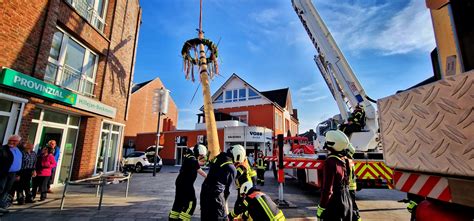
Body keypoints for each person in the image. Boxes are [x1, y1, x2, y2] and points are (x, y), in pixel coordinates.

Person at [316, 130, 353, 221]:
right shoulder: (345, 160)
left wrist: (321, 208)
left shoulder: (330, 162)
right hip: (348, 203)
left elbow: (328, 190)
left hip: (335, 205)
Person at [200, 145, 241, 220]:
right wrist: (224, 204)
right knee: (221, 218)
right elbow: (227, 190)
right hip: (216, 195)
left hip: (204, 191)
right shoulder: (231, 168)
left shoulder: (219, 157)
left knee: (205, 216)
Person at [169, 144, 208, 221]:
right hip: (186, 185)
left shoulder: (189, 158)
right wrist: (209, 177)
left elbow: (199, 164)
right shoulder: (192, 160)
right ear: (198, 153)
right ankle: (183, 219)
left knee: (178, 202)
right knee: (191, 203)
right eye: (201, 155)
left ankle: (173, 218)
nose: (201, 156)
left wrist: (204, 161)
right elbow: (200, 171)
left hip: (180, 182)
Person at [0, 135, 22, 213]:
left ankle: (1, 206)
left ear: (18, 142)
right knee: (1, 188)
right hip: (4, 173)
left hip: (13, 174)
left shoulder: (18, 150)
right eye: (10, 140)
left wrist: (18, 174)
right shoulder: (3, 149)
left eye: (14, 141)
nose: (11, 142)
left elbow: (19, 161)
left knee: (7, 189)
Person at [345, 143, 361, 221]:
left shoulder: (347, 161)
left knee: (351, 206)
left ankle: (356, 218)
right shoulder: (351, 160)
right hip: (352, 186)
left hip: (349, 187)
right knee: (352, 205)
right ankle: (357, 218)